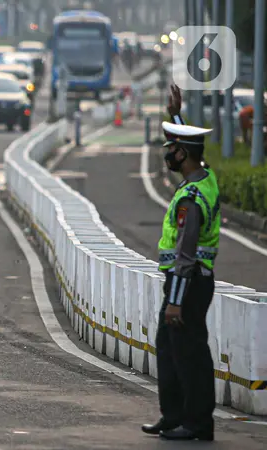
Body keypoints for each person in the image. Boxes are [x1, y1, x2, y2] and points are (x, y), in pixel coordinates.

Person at [141, 84, 219, 441]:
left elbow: (185, 259)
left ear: (183, 155)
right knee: (169, 352)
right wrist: (176, 116)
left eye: (172, 150)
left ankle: (197, 422)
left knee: (189, 356)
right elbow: (192, 144)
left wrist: (174, 302)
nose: (167, 154)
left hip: (187, 285)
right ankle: (172, 416)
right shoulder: (205, 178)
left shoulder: (190, 199)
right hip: (185, 283)